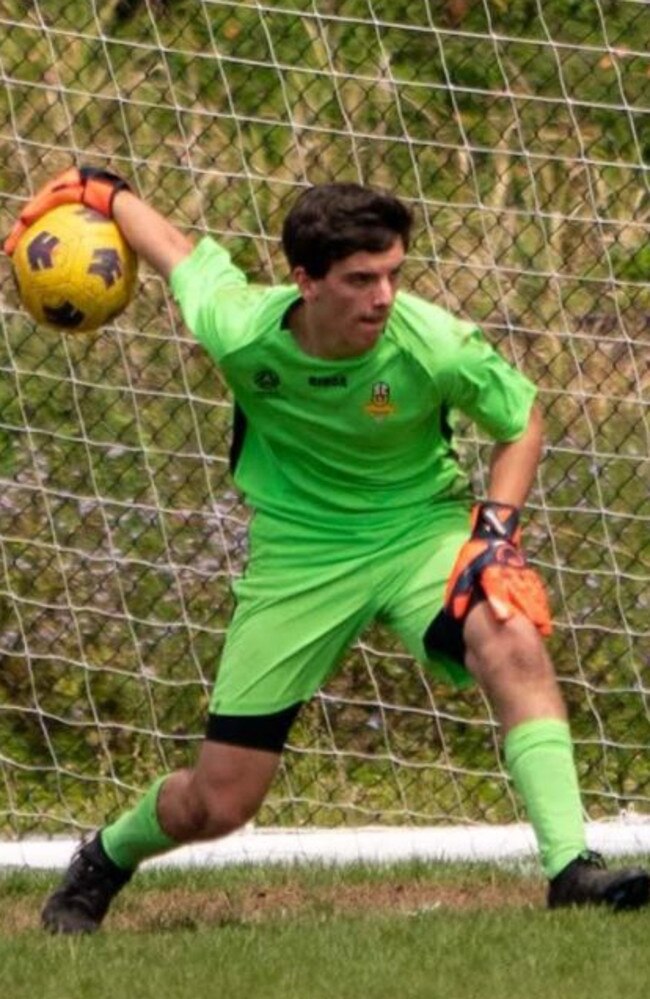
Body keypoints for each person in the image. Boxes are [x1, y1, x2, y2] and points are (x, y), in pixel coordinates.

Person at [4, 167, 649, 933]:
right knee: (221, 802)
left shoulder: (432, 342)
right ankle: (103, 859)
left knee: (508, 629)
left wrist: (495, 536)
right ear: (305, 281)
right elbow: (176, 252)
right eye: (360, 279)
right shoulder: (241, 327)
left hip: (419, 533)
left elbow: (522, 420)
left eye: (393, 274)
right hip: (299, 558)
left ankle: (571, 868)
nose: (383, 296)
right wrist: (98, 192)